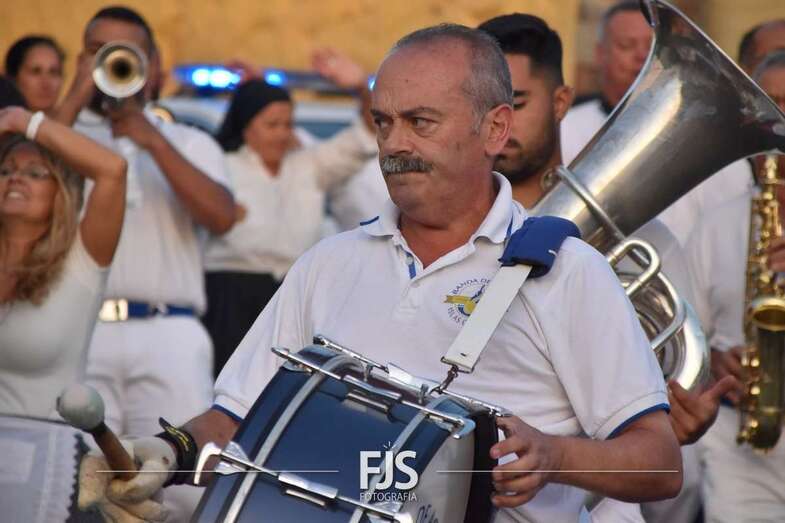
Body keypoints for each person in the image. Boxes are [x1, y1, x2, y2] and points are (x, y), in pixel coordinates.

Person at [78, 23, 683, 523]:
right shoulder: (327, 263)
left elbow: (660, 462)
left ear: (494, 129)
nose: (394, 144)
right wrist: (167, 452)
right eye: (383, 121)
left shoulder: (570, 272)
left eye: (421, 122)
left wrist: (556, 457)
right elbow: (237, 419)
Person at [478, 13, 739, 523]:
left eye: (518, 104)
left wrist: (676, 420)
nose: (498, 126)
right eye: (483, 110)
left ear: (561, 102)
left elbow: (682, 365)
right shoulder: (451, 230)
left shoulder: (645, 239)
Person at [54, 6, 234, 521]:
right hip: (83, 332)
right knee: (78, 486)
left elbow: (221, 216)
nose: (110, 61)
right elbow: (32, 174)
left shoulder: (191, 140)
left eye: (124, 53)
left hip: (168, 331)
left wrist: (152, 139)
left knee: (182, 488)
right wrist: (76, 93)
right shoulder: (67, 134)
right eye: (97, 51)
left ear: (152, 64)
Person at [203, 52, 377, 377]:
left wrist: (360, 88)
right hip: (229, 295)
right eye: (272, 125)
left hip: (291, 293)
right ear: (246, 126)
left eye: (287, 124)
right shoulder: (218, 166)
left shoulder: (308, 165)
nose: (282, 133)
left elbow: (366, 135)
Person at [0, 104, 126, 521]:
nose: (15, 178)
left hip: (46, 462)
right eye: (5, 170)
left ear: (62, 191)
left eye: (36, 172)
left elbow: (112, 170)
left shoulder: (82, 260)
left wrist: (25, 122)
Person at [559, 2, 758, 248]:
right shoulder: (564, 129)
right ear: (600, 54)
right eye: (627, 45)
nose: (641, 56)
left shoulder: (716, 146)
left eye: (651, 45)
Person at [688, 50, 785, 523]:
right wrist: (711, 362)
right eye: (769, 106)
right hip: (738, 442)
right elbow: (683, 340)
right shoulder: (715, 225)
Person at [4, 35, 65, 114]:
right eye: (35, 72)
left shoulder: (78, 120)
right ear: (13, 78)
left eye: (53, 72)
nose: (46, 84)